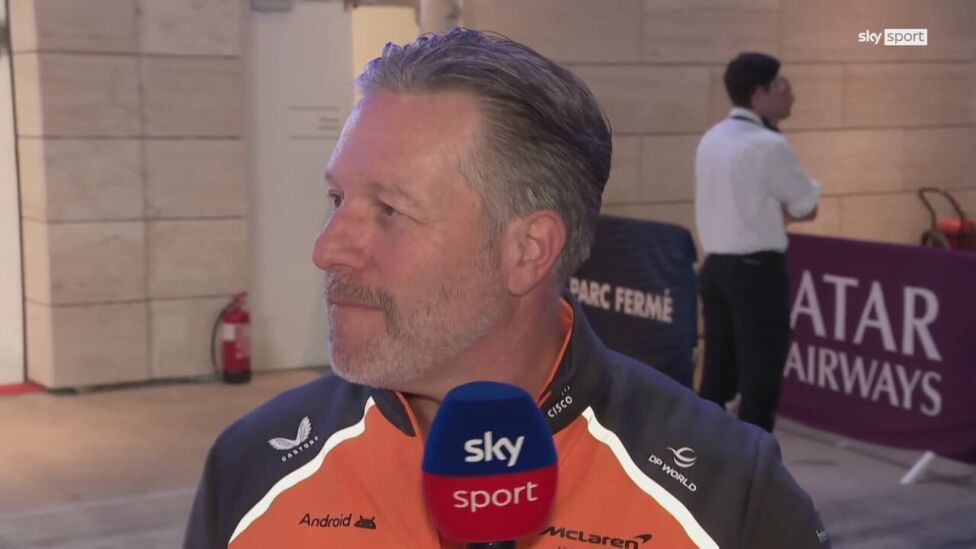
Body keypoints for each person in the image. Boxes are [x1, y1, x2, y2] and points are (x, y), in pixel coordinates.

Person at [185, 31, 829, 548]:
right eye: (336, 199)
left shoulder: (728, 491)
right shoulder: (253, 465)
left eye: (390, 211)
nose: (326, 250)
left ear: (528, 250)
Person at [695, 52, 822, 432]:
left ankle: (702, 453)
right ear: (759, 94)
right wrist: (778, 210)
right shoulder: (767, 144)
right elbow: (806, 205)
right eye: (780, 86)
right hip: (755, 271)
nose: (790, 94)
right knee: (760, 374)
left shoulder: (712, 137)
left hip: (716, 267)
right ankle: (756, 459)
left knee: (717, 373)